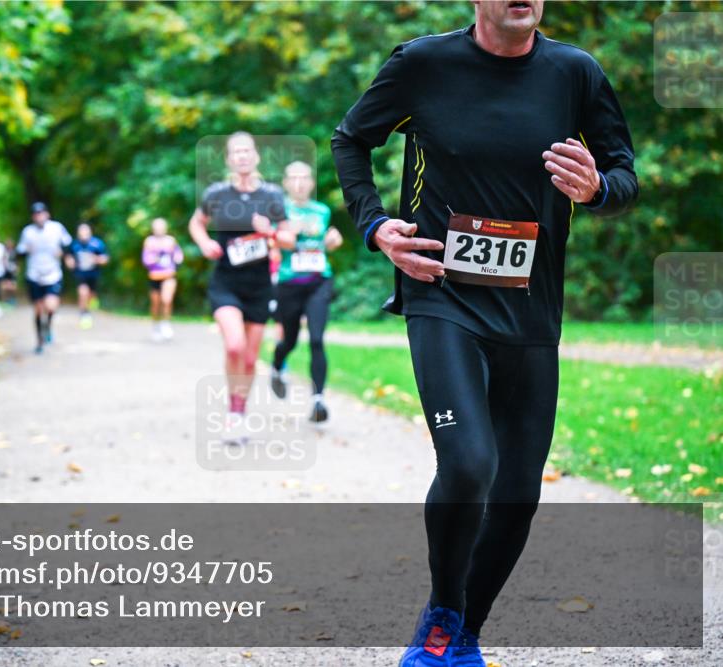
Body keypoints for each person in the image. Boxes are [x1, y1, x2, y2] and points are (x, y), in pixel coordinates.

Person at [331, 1, 637, 665]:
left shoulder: (575, 73)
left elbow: (624, 174)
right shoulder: (424, 64)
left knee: (518, 496)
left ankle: (465, 631)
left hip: (532, 311)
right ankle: (442, 616)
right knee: (470, 464)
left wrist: (596, 190)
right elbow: (350, 140)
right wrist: (376, 226)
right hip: (441, 294)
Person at [189, 132, 287, 437]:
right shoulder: (217, 193)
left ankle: (240, 411)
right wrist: (205, 242)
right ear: (229, 159)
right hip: (225, 281)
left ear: (256, 156)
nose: (242, 156)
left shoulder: (271, 196)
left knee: (249, 357)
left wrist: (269, 232)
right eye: (236, 152)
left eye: (247, 151)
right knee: (234, 345)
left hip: (259, 285)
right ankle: (232, 414)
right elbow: (196, 222)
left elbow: (287, 238)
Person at [269, 161, 342, 423]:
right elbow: (282, 241)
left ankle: (318, 400)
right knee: (289, 340)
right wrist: (288, 234)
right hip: (289, 284)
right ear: (286, 183)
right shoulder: (280, 210)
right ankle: (277, 367)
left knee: (316, 339)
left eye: (304, 178)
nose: (299, 183)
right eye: (293, 178)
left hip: (318, 281)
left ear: (312, 182)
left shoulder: (321, 211)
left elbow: (326, 241)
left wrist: (332, 240)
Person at [16, 202, 73, 354]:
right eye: (36, 214)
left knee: (51, 306)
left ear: (47, 214)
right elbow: (19, 252)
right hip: (34, 274)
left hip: (52, 274)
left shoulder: (56, 228)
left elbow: (68, 244)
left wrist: (65, 255)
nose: (39, 216)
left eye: (41, 213)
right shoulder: (28, 232)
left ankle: (47, 325)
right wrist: (25, 251)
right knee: (38, 309)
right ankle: (39, 340)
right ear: (33, 217)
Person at [142, 217, 183, 341]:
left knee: (167, 300)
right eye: (156, 227)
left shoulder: (171, 241)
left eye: (161, 227)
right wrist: (153, 260)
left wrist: (177, 260)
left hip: (169, 275)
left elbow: (178, 255)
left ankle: (166, 324)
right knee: (155, 303)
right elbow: (145, 259)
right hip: (155, 276)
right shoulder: (149, 241)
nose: (159, 229)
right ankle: (156, 325)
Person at [66, 222, 109, 330]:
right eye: (81, 231)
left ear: (90, 232)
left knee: (91, 296)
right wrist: (70, 262)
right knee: (82, 293)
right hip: (80, 275)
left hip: (94, 275)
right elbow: (68, 257)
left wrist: (97, 259)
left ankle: (91, 303)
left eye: (85, 231)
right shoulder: (74, 245)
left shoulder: (97, 244)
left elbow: (105, 259)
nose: (83, 233)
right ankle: (84, 314)